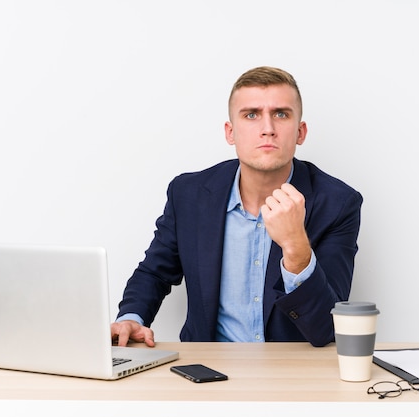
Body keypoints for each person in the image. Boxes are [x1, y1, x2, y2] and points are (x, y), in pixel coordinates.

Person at [111, 66, 363, 348]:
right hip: (207, 372)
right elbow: (155, 272)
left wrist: (296, 247)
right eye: (251, 115)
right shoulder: (189, 194)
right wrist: (132, 317)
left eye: (281, 114)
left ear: (300, 132)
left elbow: (327, 329)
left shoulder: (338, 203)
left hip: (293, 374)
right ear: (230, 132)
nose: (267, 129)